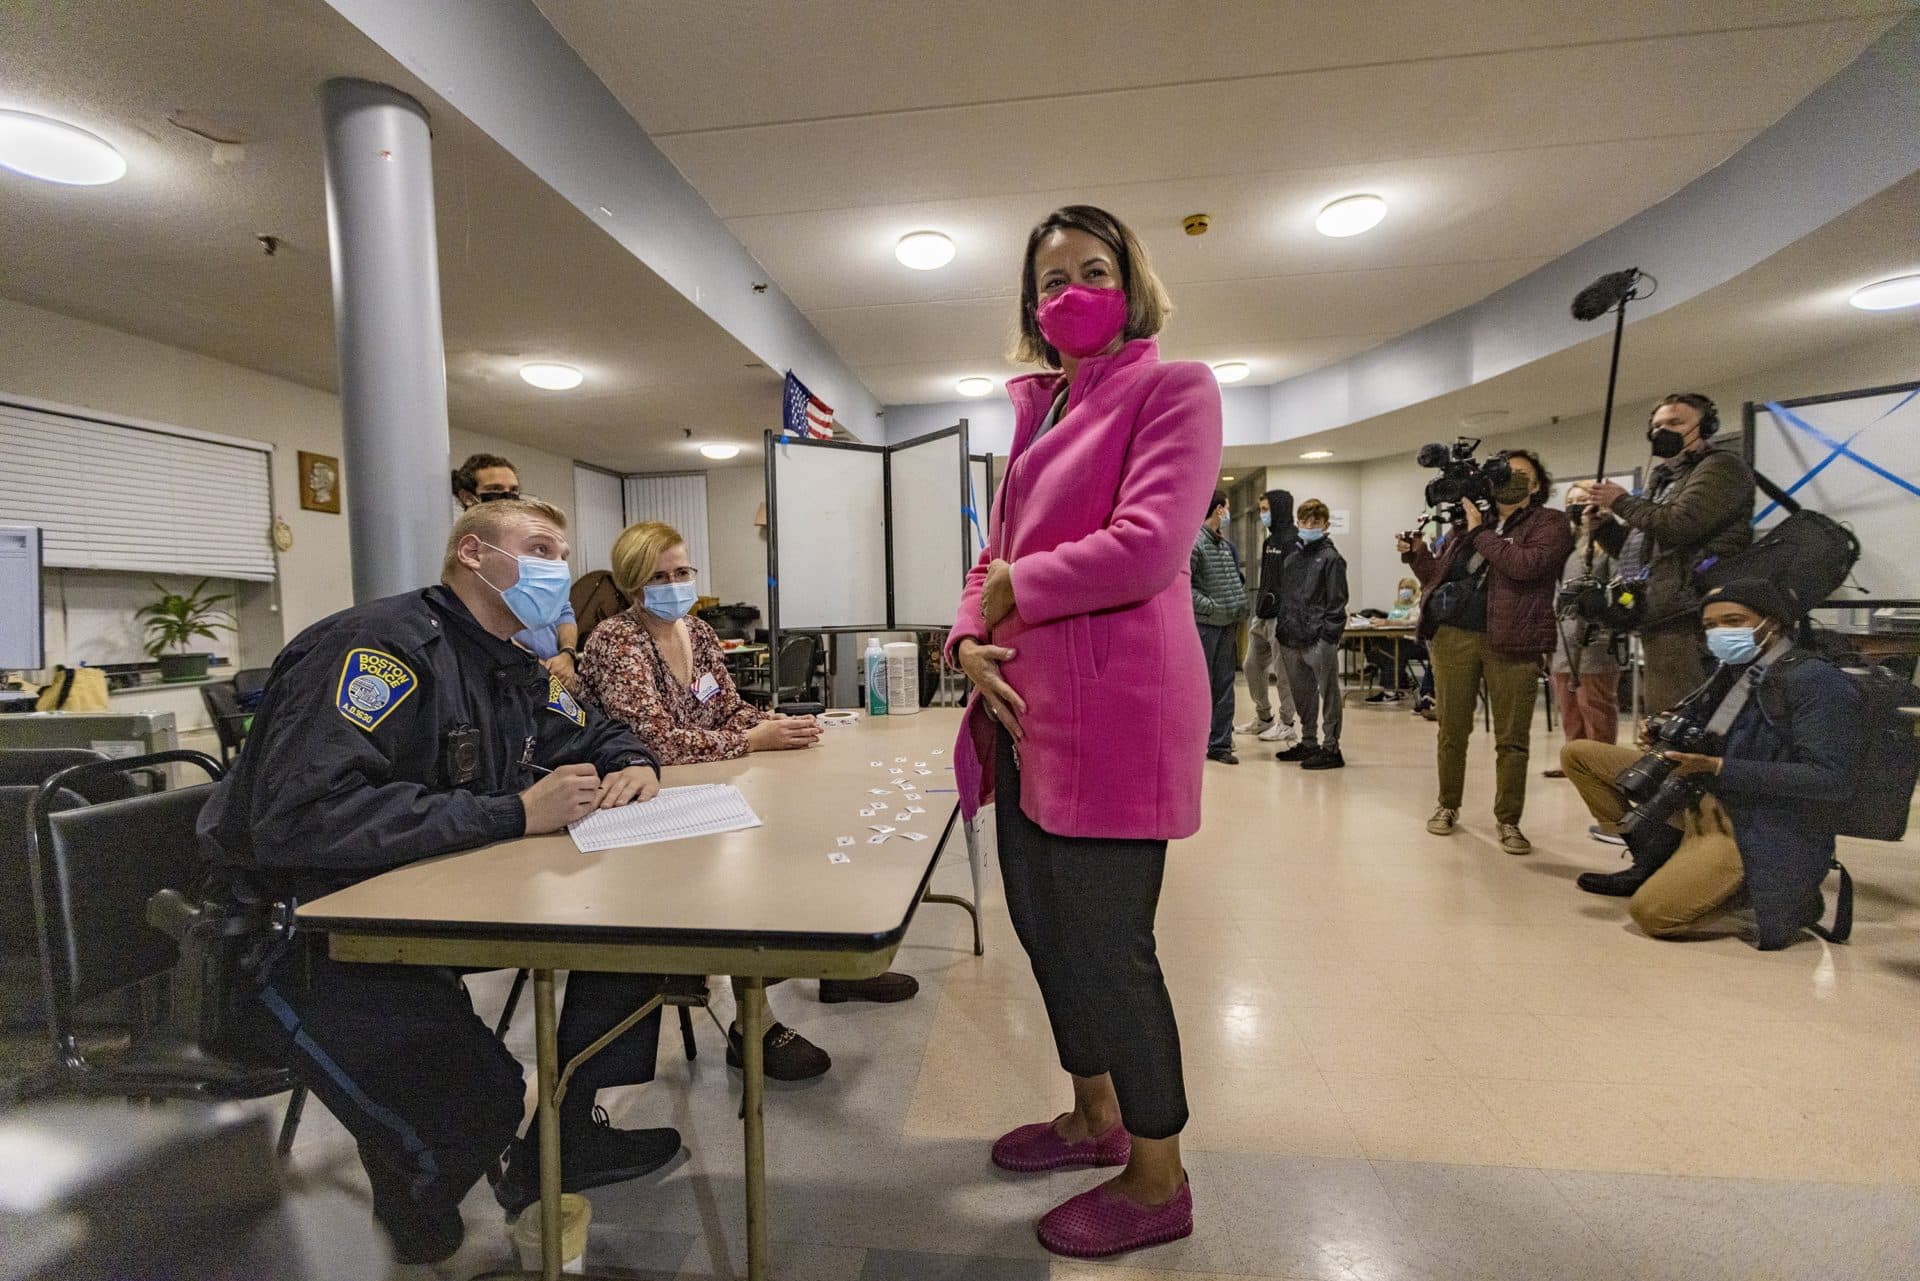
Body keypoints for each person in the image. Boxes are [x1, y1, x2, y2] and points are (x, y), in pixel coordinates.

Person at [197, 498, 680, 1263]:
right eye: (540, 547)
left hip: (419, 915)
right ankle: (403, 1234)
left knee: (637, 934)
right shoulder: (380, 650)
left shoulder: (509, 664)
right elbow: (300, 816)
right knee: (473, 1108)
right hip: (301, 938)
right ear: (474, 556)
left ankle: (555, 1139)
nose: (559, 566)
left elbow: (594, 729)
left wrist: (634, 764)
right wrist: (515, 813)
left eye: (563, 549)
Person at [948, 204, 1215, 1258]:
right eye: (1050, 281)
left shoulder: (1171, 389)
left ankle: (1158, 1179)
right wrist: (970, 638)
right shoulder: (1038, 412)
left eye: (1091, 270)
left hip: (1117, 714)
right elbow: (991, 560)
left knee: (1112, 951)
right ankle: (1094, 1117)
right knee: (1046, 933)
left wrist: (1016, 586)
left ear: (1130, 282)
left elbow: (1146, 548)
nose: (1070, 293)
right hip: (1023, 716)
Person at [578, 520, 918, 1080]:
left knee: (803, 833)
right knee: (750, 877)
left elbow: (726, 708)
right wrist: (751, 740)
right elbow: (653, 741)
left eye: (682, 571)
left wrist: (773, 726)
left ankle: (835, 963)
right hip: (645, 809)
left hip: (709, 783)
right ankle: (752, 1026)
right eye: (659, 576)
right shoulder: (618, 642)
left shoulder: (699, 632)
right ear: (633, 585)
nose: (675, 584)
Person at [1561, 579, 1862, 950]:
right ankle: (1656, 860)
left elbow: (1833, 780)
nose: (1720, 632)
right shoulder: (1734, 671)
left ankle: (1763, 890)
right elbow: (1708, 726)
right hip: (1703, 789)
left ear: (1773, 623)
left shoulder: (1814, 680)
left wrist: (1719, 766)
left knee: (1652, 914)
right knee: (1580, 756)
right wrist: (1664, 731)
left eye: (1733, 620)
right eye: (1710, 625)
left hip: (1757, 821)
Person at [1401, 449, 1572, 854]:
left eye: (1520, 473)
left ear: (1536, 483)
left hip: (1513, 639)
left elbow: (1526, 565)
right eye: (1503, 472)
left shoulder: (1550, 523)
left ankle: (1508, 820)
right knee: (1451, 730)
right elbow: (1438, 578)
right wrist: (1417, 555)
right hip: (1454, 637)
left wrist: (1481, 533)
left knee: (1512, 738)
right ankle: (1447, 805)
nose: (1510, 478)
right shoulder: (1470, 525)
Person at [1585, 394, 1755, 717]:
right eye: (1658, 425)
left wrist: (1620, 502)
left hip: (1692, 615)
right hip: (1662, 612)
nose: (1664, 430)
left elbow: (1680, 525)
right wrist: (1606, 528)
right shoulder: (1663, 480)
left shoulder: (1721, 467)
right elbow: (1648, 552)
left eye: (1676, 422)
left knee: (1682, 718)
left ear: (1705, 426)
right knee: (1663, 717)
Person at [450, 451, 584, 691]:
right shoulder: (471, 559)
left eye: (513, 492)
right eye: (496, 492)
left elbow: (563, 609)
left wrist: (567, 655)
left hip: (554, 671)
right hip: (507, 673)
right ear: (468, 498)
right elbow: (482, 624)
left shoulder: (533, 553)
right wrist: (537, 667)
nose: (507, 501)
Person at [1546, 486, 1621, 778]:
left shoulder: (1609, 545)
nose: (1576, 507)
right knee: (1567, 702)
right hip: (1563, 636)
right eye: (1571, 502)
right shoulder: (1567, 548)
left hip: (1596, 636)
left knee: (1595, 703)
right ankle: (1575, 761)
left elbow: (1622, 585)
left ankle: (1601, 764)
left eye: (1582, 501)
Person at [1272, 499, 1349, 770]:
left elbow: (1337, 602)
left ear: (1325, 525)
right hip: (1291, 637)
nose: (1308, 526)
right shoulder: (1292, 557)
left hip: (1318, 639)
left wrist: (1328, 637)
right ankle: (1308, 741)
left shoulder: (1332, 559)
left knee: (1329, 695)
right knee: (1302, 695)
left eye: (1315, 522)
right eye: (1304, 521)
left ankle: (1331, 747)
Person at [1239, 489, 1301, 746]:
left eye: (1266, 509)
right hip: (1262, 615)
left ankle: (1287, 723)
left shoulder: (1293, 540)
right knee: (1251, 666)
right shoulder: (1270, 541)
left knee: (1284, 673)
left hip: (1281, 618)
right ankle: (1264, 716)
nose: (1263, 514)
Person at [1192, 489, 1250, 764]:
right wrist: (1210, 607)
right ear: (1218, 510)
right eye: (1226, 508)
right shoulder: (1195, 544)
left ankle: (1221, 743)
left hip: (1227, 624)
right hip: (1206, 625)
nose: (1227, 513)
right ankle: (1197, 741)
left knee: (1226, 685)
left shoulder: (1225, 546)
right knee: (1202, 686)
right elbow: (1184, 587)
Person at [1361, 577, 1422, 703]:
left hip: (1415, 642)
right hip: (1397, 639)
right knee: (1380, 646)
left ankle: (1391, 690)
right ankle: (1398, 684)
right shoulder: (1398, 606)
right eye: (1402, 588)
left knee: (1393, 650)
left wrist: (1391, 622)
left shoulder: (1418, 604)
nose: (1404, 591)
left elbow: (1415, 623)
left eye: (1408, 588)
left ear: (1415, 590)